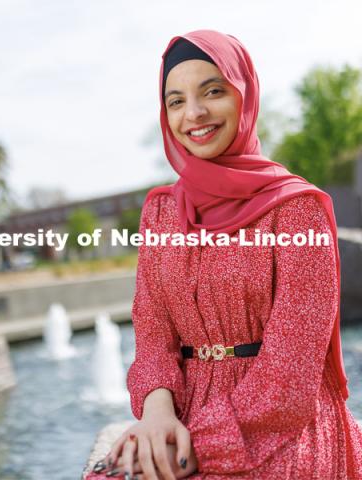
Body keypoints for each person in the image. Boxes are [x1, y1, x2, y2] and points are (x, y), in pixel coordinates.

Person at [86, 29, 362, 480]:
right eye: (175, 101)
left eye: (212, 91)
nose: (193, 113)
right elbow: (153, 329)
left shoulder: (297, 209)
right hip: (182, 411)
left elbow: (289, 378)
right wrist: (156, 413)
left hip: (281, 425)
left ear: (244, 96)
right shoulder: (160, 211)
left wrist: (196, 448)